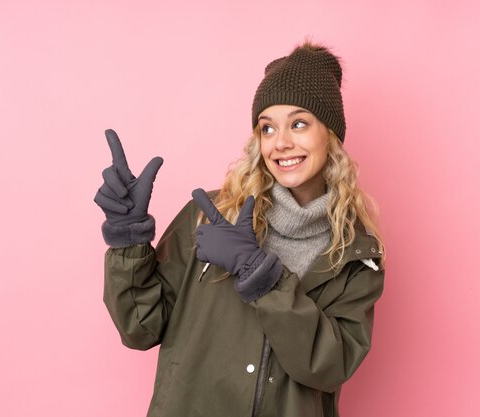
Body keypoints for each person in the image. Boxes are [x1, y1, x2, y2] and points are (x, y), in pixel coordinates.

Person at [94, 41, 385, 417]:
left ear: (329, 134)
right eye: (267, 128)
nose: (281, 143)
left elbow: (330, 366)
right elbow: (141, 328)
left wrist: (261, 279)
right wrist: (128, 241)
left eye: (299, 123)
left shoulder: (357, 254)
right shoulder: (210, 217)